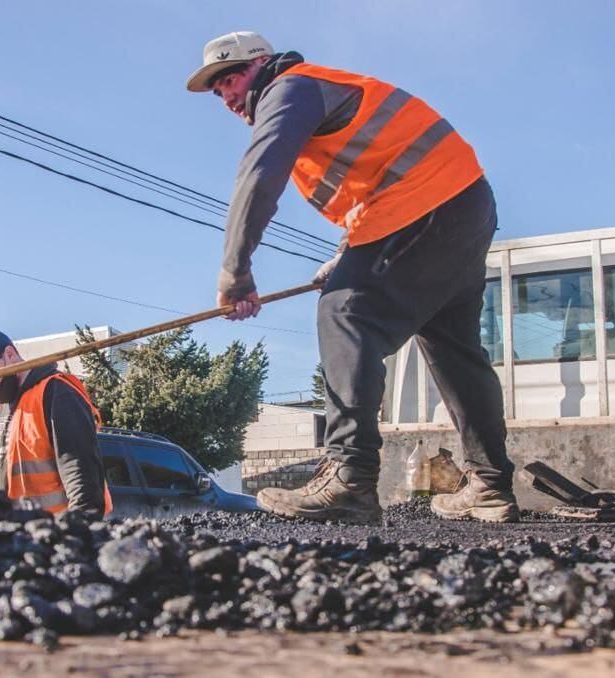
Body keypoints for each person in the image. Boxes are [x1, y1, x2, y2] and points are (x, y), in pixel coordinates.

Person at [186, 31, 518, 524]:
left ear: (261, 64)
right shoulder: (314, 94)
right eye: (218, 93)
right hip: (461, 204)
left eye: (230, 80)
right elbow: (376, 179)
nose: (228, 97)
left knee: (345, 312)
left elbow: (259, 175)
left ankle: (350, 477)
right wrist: (344, 255)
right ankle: (490, 484)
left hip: (426, 203)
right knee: (453, 348)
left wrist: (235, 272)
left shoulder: (290, 89)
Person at [0, 329, 111, 515]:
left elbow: (82, 480)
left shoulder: (57, 393)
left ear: (9, 354)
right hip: (8, 537)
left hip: (49, 535)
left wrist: (76, 532)